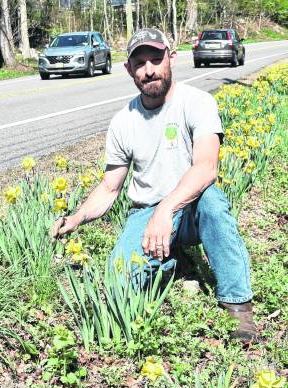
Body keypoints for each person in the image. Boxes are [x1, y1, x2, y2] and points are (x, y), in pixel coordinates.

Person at [51, 28, 256, 341]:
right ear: (129, 69)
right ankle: (174, 261)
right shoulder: (123, 121)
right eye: (140, 63)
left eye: (156, 59)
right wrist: (76, 218)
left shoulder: (197, 102)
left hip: (191, 208)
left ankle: (238, 307)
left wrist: (167, 208)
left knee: (214, 203)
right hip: (146, 214)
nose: (149, 70)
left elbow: (206, 167)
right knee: (119, 281)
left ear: (171, 58)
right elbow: (109, 187)